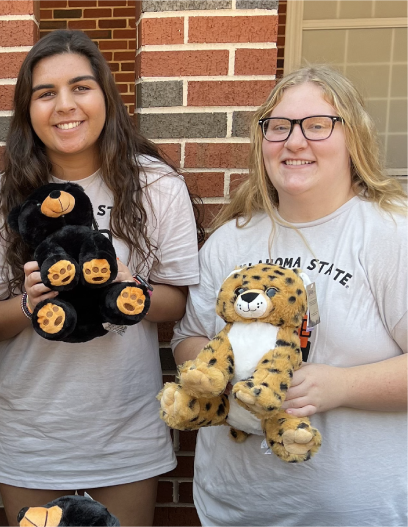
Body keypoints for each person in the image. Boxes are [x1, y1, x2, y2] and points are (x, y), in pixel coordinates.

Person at [0, 30, 202, 526]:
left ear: (105, 96)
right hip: (29, 430)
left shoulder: (157, 186)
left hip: (124, 428)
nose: (65, 105)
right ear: (28, 110)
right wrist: (29, 305)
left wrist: (132, 292)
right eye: (46, 93)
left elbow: (176, 304)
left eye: (80, 87)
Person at [172, 65, 407, 525]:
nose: (295, 142)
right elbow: (187, 341)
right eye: (279, 127)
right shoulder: (230, 240)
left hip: (351, 511)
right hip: (233, 506)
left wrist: (339, 387)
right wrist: (223, 367)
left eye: (318, 125)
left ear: (352, 135)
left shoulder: (389, 232)